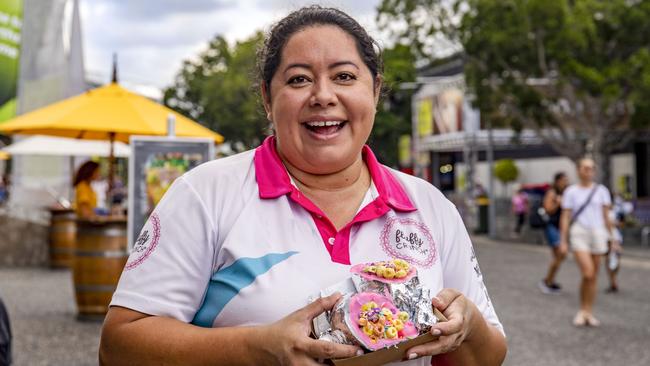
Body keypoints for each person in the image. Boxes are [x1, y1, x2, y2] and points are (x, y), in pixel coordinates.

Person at [99, 6, 506, 365]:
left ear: (376, 91)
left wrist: (467, 329)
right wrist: (254, 349)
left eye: (345, 76)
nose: (322, 96)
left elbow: (487, 356)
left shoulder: (429, 206)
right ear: (266, 97)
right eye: (298, 80)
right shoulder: (205, 195)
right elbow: (118, 347)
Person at [559, 158, 619, 327]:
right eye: (585, 168)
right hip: (579, 232)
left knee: (593, 277)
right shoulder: (571, 191)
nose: (588, 171)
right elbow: (565, 216)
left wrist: (613, 237)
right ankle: (582, 309)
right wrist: (563, 240)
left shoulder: (602, 191)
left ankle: (588, 311)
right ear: (578, 170)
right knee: (588, 273)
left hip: (598, 233)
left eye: (591, 168)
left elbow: (607, 217)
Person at [538, 172, 570, 294]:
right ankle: (547, 281)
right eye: (563, 180)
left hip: (561, 227)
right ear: (557, 181)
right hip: (552, 226)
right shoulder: (552, 193)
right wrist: (557, 202)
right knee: (560, 254)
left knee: (560, 256)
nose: (566, 182)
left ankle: (549, 280)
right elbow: (548, 209)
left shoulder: (566, 193)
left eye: (567, 180)